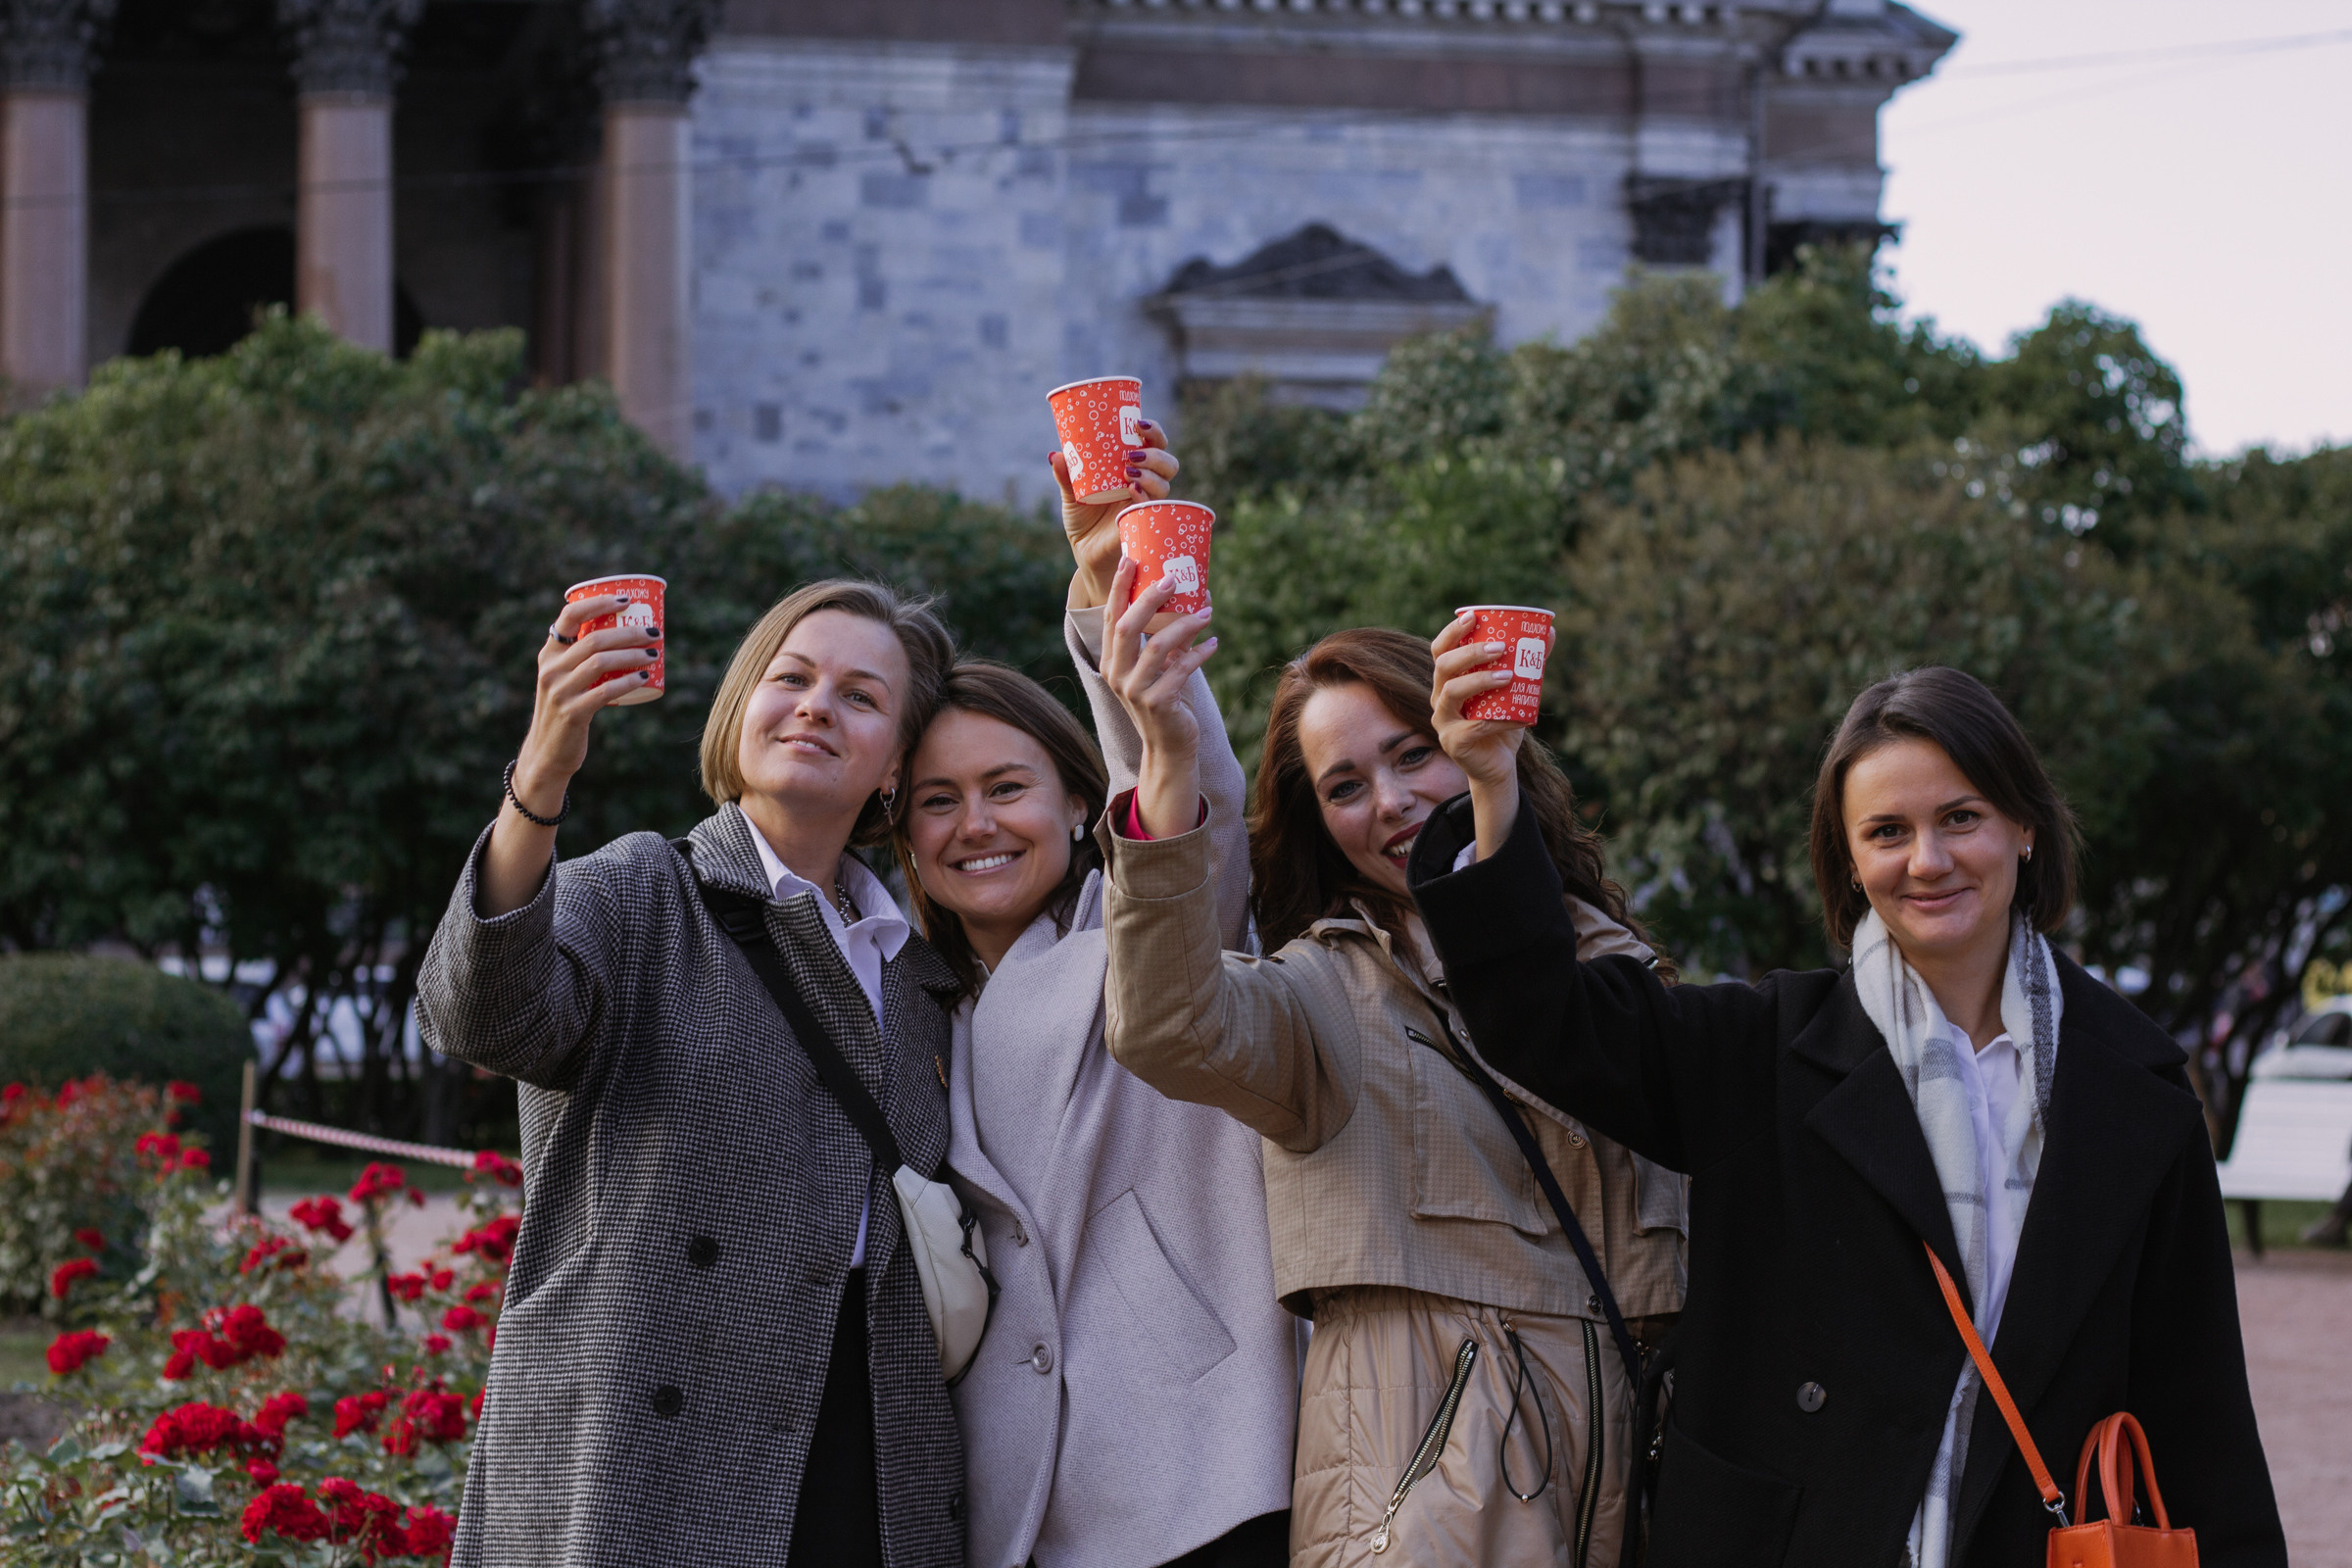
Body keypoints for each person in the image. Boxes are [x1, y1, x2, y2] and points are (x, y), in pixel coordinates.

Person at [1408, 651, 2288, 1568]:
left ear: (2024, 826)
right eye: (1887, 832)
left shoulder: (2135, 1087)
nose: (1929, 860)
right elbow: (1548, 1022)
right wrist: (1492, 781)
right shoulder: (1766, 1048)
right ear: (1851, 859)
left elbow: (2200, 1405)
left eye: (1961, 818)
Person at [1096, 613, 1688, 1568]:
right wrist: (1166, 755)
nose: (1393, 800)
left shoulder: (1627, 977)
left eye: (1414, 753)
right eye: (1344, 786)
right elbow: (1170, 1024)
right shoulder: (1323, 996)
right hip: (1427, 1531)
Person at [416, 578, 965, 1568]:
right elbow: (483, 1017)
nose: (815, 705)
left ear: (893, 765)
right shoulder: (638, 891)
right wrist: (541, 776)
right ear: (741, 707)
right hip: (643, 1439)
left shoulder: (919, 972)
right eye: (790, 676)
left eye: (861, 695)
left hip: (864, 1443)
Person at [893, 426, 1296, 1568]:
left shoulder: (1152, 926)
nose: (974, 823)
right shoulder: (908, 1004)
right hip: (1016, 1498)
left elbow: (1190, 803)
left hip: (1201, 1472)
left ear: (1080, 804)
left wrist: (1106, 578)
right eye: (936, 800)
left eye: (1007, 787)